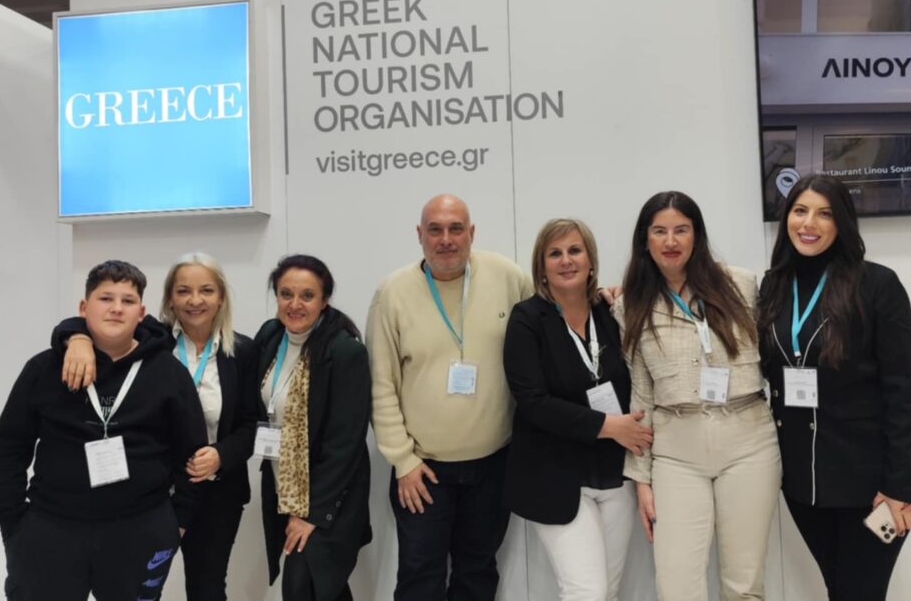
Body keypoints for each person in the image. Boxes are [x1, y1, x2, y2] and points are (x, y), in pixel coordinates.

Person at [0, 260, 207, 601]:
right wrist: (13, 524)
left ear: (141, 313)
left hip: (140, 529)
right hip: (50, 529)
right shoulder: (44, 368)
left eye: (127, 301)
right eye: (106, 298)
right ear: (83, 307)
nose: (116, 308)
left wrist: (175, 523)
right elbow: (7, 450)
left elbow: (192, 454)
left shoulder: (168, 373)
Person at [756, 174, 911, 601]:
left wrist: (902, 484)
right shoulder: (773, 286)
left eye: (825, 213)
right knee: (840, 591)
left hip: (868, 482)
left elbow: (903, 391)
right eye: (800, 210)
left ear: (842, 222)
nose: (808, 223)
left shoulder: (877, 285)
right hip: (803, 483)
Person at [56, 253, 260, 601]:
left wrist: (221, 455)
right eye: (183, 291)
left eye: (206, 290)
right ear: (169, 299)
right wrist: (77, 340)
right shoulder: (151, 339)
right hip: (152, 491)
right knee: (136, 588)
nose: (195, 300)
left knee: (207, 589)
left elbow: (250, 423)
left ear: (221, 297)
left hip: (215, 491)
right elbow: (88, 323)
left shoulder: (242, 351)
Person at [366, 193, 534, 600]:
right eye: (435, 230)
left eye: (456, 229)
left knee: (477, 573)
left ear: (471, 233)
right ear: (419, 234)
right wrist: (403, 461)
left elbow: (551, 318)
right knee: (420, 579)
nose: (446, 239)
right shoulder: (393, 293)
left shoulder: (508, 278)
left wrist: (603, 297)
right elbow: (381, 384)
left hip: (493, 465)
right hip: (422, 472)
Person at [614, 192, 781, 601]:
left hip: (748, 442)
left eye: (681, 230)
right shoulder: (630, 305)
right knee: (676, 585)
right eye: (659, 231)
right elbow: (641, 396)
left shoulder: (741, 284)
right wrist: (641, 480)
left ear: (696, 235)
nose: (671, 241)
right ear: (645, 240)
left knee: (744, 584)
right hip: (677, 449)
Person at [502, 218, 651, 601]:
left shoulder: (611, 312)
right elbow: (533, 402)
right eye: (555, 253)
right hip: (555, 475)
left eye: (574, 250)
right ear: (541, 267)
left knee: (609, 591)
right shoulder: (527, 319)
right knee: (587, 591)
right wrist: (610, 426)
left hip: (614, 473)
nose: (566, 260)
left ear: (590, 260)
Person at [254, 254, 372, 601]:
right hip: (284, 488)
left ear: (325, 300)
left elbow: (345, 442)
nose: (295, 304)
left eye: (307, 295)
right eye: (285, 294)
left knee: (303, 585)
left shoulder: (344, 351)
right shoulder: (270, 336)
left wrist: (312, 514)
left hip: (330, 495)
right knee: (324, 588)